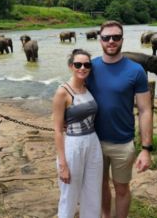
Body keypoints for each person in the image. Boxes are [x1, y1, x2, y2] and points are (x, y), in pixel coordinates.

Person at [87, 20, 153, 218]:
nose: (111, 41)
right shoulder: (90, 67)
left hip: (123, 143)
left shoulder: (135, 71)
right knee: (100, 187)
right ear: (100, 41)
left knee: (122, 188)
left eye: (116, 37)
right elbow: (73, 95)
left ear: (122, 39)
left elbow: (145, 110)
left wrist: (146, 149)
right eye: (106, 37)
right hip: (93, 141)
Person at [53, 48, 103, 218]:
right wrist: (63, 164)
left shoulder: (88, 88)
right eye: (78, 64)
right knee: (70, 194)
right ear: (71, 66)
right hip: (73, 145)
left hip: (93, 143)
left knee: (93, 192)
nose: (83, 67)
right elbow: (58, 130)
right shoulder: (62, 92)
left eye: (87, 64)